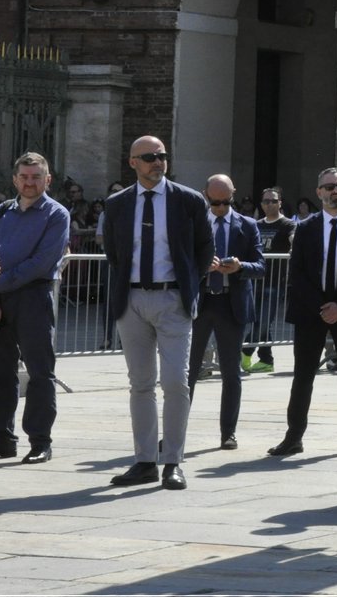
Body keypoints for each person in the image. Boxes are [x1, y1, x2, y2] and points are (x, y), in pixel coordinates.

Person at [103, 136, 214, 490]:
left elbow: (203, 250)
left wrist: (187, 289)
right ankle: (145, 460)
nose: (158, 162)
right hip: (131, 300)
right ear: (133, 162)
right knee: (140, 384)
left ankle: (173, 461)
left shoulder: (189, 200)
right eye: (149, 157)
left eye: (162, 156)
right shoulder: (118, 204)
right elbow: (113, 252)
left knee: (175, 382)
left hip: (172, 300)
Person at [0, 152, 69, 466]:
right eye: (24, 177)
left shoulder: (56, 214)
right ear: (15, 179)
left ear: (47, 179)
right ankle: (1, 437)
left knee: (40, 371)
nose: (29, 183)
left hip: (33, 298)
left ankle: (40, 440)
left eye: (36, 177)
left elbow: (40, 264)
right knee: (0, 372)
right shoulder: (1, 211)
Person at [269, 167, 337, 458]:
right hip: (311, 311)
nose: (335, 191)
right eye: (328, 187)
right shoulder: (305, 227)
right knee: (303, 376)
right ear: (318, 192)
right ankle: (293, 437)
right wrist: (321, 307)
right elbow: (298, 273)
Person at [186, 175, 266, 451]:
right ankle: (175, 432)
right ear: (205, 195)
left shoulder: (247, 225)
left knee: (231, 373)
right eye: (214, 202)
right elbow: (180, 263)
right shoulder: (195, 224)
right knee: (188, 371)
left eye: (225, 202)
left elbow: (261, 265)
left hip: (231, 304)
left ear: (233, 195)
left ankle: (228, 433)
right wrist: (202, 267)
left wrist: (240, 266)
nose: (220, 207)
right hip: (201, 302)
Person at [245, 187, 294, 376]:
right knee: (258, 321)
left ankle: (244, 351)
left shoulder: (287, 224)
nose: (270, 204)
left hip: (275, 282)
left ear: (280, 203)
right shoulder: (256, 224)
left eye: (274, 201)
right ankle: (266, 360)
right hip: (255, 280)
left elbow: (293, 238)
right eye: (266, 201)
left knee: (264, 321)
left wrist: (294, 245)